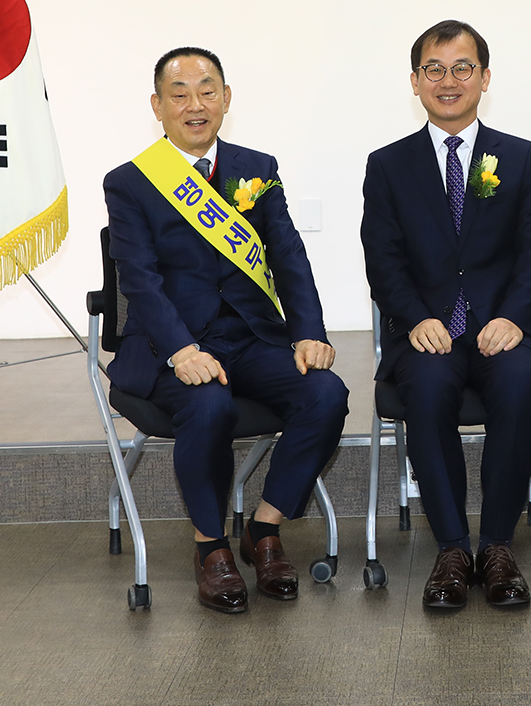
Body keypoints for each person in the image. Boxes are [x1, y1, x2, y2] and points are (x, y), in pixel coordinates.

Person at [103, 46, 348, 614]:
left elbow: (288, 255)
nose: (196, 105)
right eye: (180, 94)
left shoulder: (257, 168)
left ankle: (264, 529)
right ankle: (210, 546)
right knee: (208, 404)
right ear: (157, 106)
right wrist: (181, 349)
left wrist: (309, 331)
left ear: (226, 98)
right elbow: (139, 279)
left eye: (207, 91)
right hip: (172, 347)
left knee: (325, 394)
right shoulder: (131, 183)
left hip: (252, 339)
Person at [361, 20, 531, 611]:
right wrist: (413, 317)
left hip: (503, 328)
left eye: (462, 68)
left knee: (520, 383)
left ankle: (496, 547)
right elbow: (383, 259)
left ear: (485, 78)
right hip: (427, 332)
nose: (449, 81)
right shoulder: (388, 165)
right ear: (415, 82)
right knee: (425, 388)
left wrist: (516, 317)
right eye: (435, 69)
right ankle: (451, 548)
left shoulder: (520, 158)